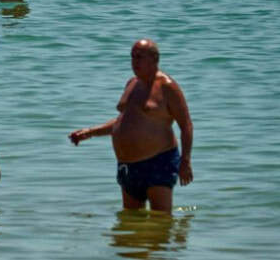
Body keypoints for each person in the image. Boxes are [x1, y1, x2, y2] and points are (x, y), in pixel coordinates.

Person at [68, 39, 194, 212]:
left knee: (160, 223)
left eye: (139, 57)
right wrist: (90, 132)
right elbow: (124, 121)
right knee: (130, 223)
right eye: (132, 57)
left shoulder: (167, 87)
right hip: (128, 166)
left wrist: (185, 161)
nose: (134, 61)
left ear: (154, 59)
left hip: (158, 162)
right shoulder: (132, 84)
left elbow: (186, 125)